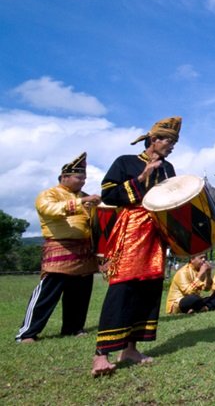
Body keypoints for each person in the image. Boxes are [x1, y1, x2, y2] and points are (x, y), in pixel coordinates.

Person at [92, 116, 181, 377]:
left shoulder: (169, 168)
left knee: (149, 289)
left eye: (175, 142)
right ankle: (101, 354)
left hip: (156, 234)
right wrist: (142, 177)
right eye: (169, 141)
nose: (172, 146)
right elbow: (109, 195)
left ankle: (130, 348)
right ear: (154, 140)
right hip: (131, 231)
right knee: (123, 287)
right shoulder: (125, 162)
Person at [16, 152, 100, 343]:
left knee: (80, 292)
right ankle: (27, 333)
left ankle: (73, 328)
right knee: (48, 292)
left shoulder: (85, 196)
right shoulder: (49, 194)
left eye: (85, 178)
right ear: (64, 177)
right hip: (60, 246)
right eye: (79, 177)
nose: (83, 182)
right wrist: (81, 202)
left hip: (84, 250)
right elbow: (49, 210)